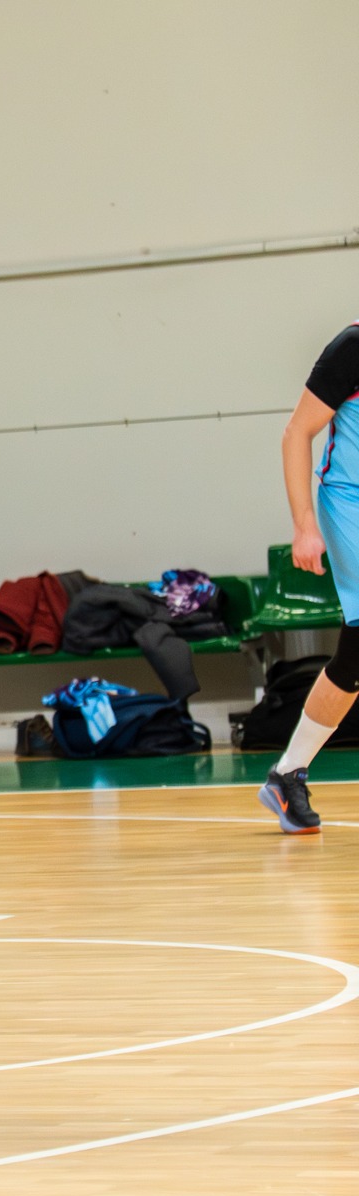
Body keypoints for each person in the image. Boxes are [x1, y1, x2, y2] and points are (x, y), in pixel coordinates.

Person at [259, 318, 359, 831]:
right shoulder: (353, 347)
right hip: (350, 505)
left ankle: (287, 773)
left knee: (355, 657)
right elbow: (297, 433)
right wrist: (304, 526)